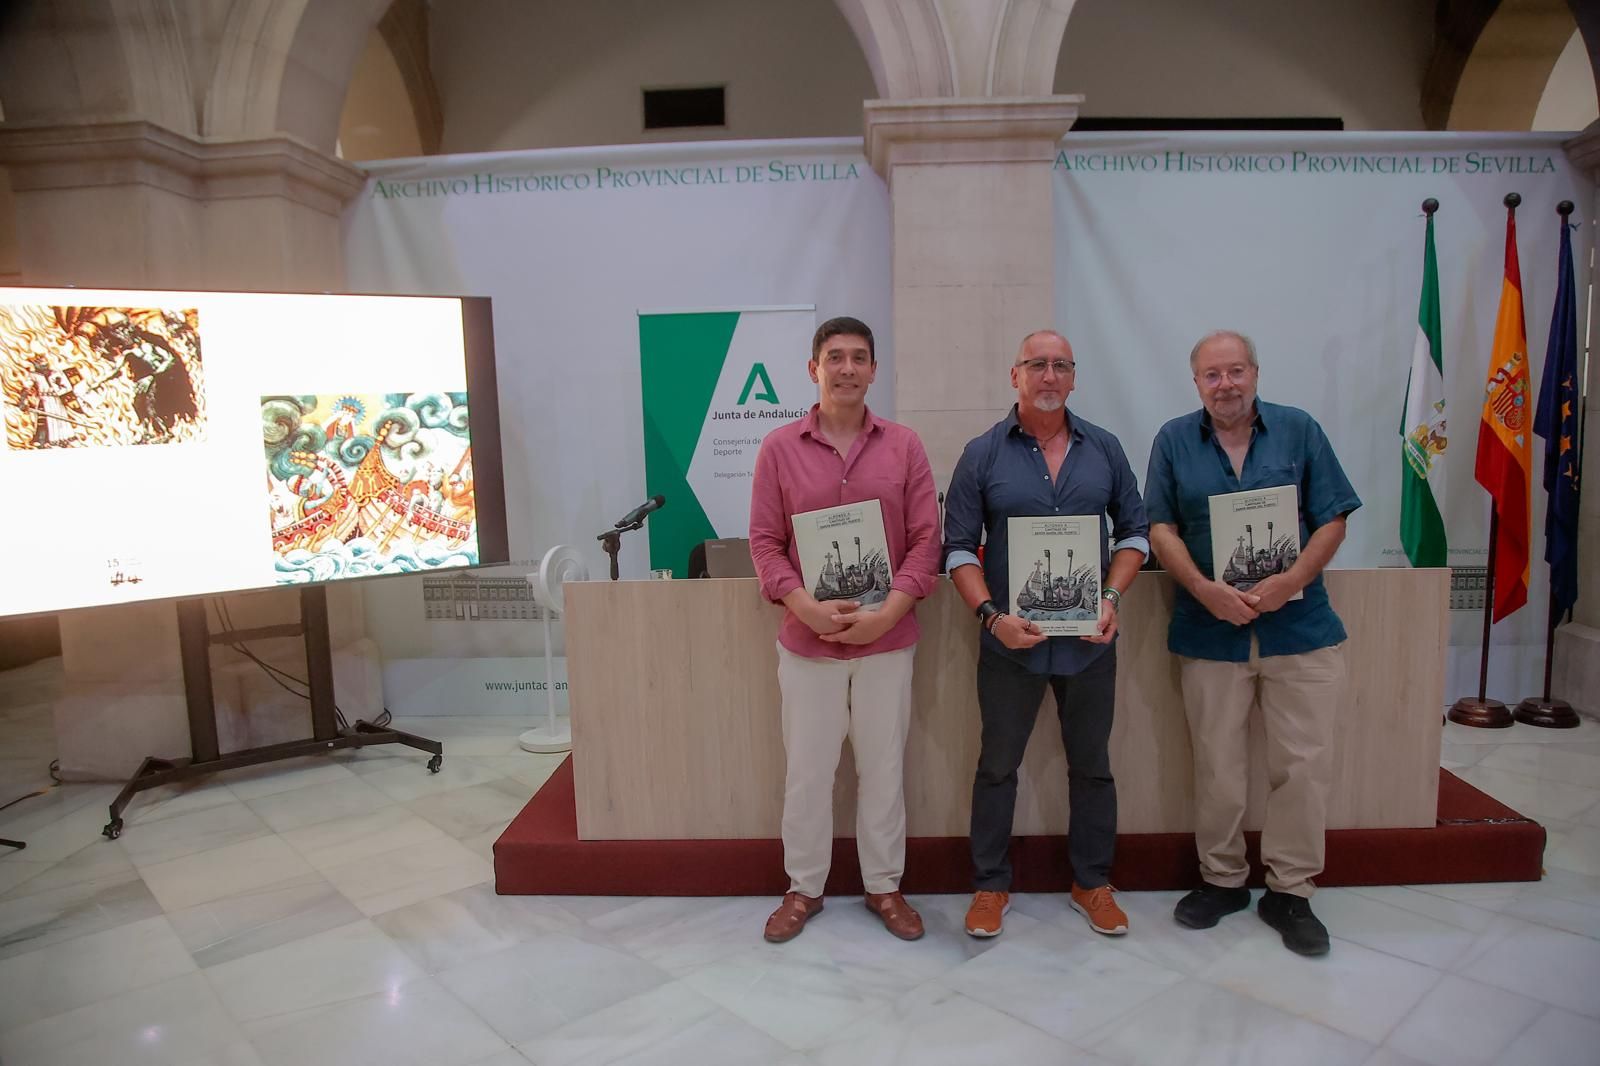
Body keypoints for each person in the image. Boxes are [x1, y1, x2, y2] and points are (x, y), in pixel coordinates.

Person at [1144, 329, 1361, 957]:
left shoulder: (1299, 430)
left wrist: (1292, 579)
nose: (1225, 385)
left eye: (1235, 371)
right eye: (1212, 375)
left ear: (1256, 374)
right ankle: (1222, 880)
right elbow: (1159, 526)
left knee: (1302, 764)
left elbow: (1335, 516)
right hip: (1210, 631)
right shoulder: (1173, 440)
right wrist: (1200, 587)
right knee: (1217, 764)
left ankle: (1291, 891)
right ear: (1196, 384)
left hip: (1300, 630)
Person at [943, 330, 1149, 939]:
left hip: (1089, 646)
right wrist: (991, 618)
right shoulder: (982, 453)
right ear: (1016, 376)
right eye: (1038, 364)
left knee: (1093, 768)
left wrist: (1111, 598)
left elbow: (1135, 533)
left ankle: (1092, 881)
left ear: (1074, 377)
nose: (1049, 375)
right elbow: (956, 548)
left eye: (1061, 365)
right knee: (996, 767)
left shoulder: (1105, 449)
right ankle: (990, 885)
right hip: (1011, 646)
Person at [748, 315, 942, 943]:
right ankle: (804, 888)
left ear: (874, 370)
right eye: (836, 357)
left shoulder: (904, 446)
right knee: (809, 770)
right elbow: (764, 543)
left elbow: (924, 540)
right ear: (815, 368)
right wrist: (803, 606)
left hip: (887, 641)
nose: (848, 368)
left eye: (859, 357)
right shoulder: (779, 448)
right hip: (808, 643)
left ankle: (884, 886)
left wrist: (890, 611)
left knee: (884, 768)